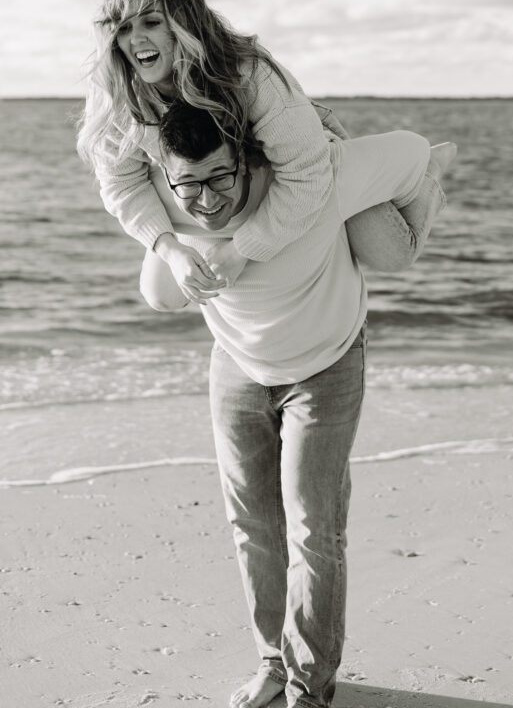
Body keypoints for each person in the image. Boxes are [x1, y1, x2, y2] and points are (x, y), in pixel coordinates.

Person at [138, 100, 455, 708]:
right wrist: (173, 252)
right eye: (189, 185)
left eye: (219, 179)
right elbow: (156, 286)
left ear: (245, 160)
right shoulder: (170, 207)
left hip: (327, 362)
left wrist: (378, 167)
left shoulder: (308, 186)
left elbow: (411, 148)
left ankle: (309, 688)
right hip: (237, 365)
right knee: (253, 525)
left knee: (314, 529)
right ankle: (273, 664)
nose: (206, 200)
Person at [77, 0, 436, 301]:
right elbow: (121, 183)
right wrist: (171, 251)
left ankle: (427, 176)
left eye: (151, 22)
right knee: (163, 296)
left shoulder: (248, 74)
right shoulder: (116, 94)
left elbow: (305, 174)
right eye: (124, 28)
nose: (136, 39)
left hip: (301, 152)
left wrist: (242, 249)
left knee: (392, 255)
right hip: (222, 177)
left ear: (181, 24)